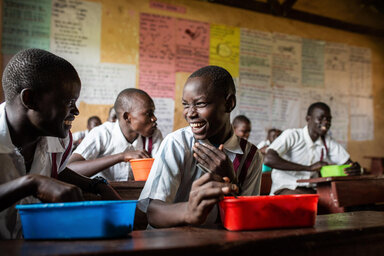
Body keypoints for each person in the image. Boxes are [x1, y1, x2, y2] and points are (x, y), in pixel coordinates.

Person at [0, 48, 120, 239]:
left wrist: (97, 185)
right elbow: (38, 180)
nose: (76, 111)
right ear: (29, 99)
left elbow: (59, 171)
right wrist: (32, 183)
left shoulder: (58, 138)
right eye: (69, 101)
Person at [138, 65, 263, 228]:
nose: (190, 113)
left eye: (201, 104)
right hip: (171, 243)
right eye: (186, 105)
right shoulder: (177, 143)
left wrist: (231, 182)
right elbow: (153, 213)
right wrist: (189, 211)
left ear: (229, 103)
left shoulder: (251, 155)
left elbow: (247, 219)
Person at [264, 102, 362, 195]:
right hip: (286, 188)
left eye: (329, 119)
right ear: (308, 119)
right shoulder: (292, 135)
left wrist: (355, 168)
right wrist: (309, 168)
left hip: (312, 190)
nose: (326, 122)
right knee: (308, 203)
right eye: (320, 118)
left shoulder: (328, 141)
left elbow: (347, 163)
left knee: (341, 200)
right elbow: (269, 159)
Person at [67, 88, 163, 181]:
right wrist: (121, 156)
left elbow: (161, 172)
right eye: (148, 113)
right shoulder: (102, 133)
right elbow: (70, 169)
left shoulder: (153, 135)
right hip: (102, 196)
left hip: (136, 195)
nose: (154, 118)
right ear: (127, 117)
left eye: (153, 113)